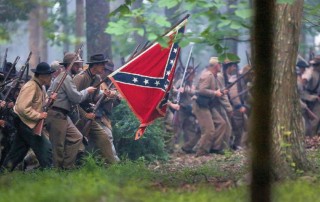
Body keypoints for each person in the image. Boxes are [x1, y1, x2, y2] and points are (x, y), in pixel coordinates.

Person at [1, 62, 55, 171]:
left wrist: (51, 100)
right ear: (41, 76)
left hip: (26, 122)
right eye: (49, 75)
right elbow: (22, 108)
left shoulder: (39, 86)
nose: (51, 77)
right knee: (46, 148)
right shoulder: (31, 86)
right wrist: (38, 115)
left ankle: (3, 173)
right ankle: (50, 174)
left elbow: (39, 104)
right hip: (26, 123)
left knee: (17, 152)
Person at [46, 52, 96, 169]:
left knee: (76, 137)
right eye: (77, 65)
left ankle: (67, 167)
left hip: (63, 114)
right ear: (70, 65)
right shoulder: (66, 78)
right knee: (58, 146)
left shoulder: (64, 77)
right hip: (57, 114)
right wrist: (87, 91)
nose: (79, 67)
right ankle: (58, 172)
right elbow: (76, 98)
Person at [73, 53, 119, 164]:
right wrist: (84, 115)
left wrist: (106, 94)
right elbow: (73, 101)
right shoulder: (81, 78)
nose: (104, 67)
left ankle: (114, 166)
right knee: (76, 143)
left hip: (88, 115)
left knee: (104, 138)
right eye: (102, 64)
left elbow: (94, 97)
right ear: (95, 65)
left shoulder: (97, 78)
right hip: (75, 115)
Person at [192, 57, 227, 157]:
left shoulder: (214, 75)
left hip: (207, 104)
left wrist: (220, 92)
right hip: (200, 105)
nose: (221, 66)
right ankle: (202, 151)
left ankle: (215, 148)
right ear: (216, 65)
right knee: (209, 130)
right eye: (220, 64)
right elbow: (202, 90)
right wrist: (215, 93)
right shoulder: (208, 75)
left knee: (221, 123)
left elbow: (212, 90)